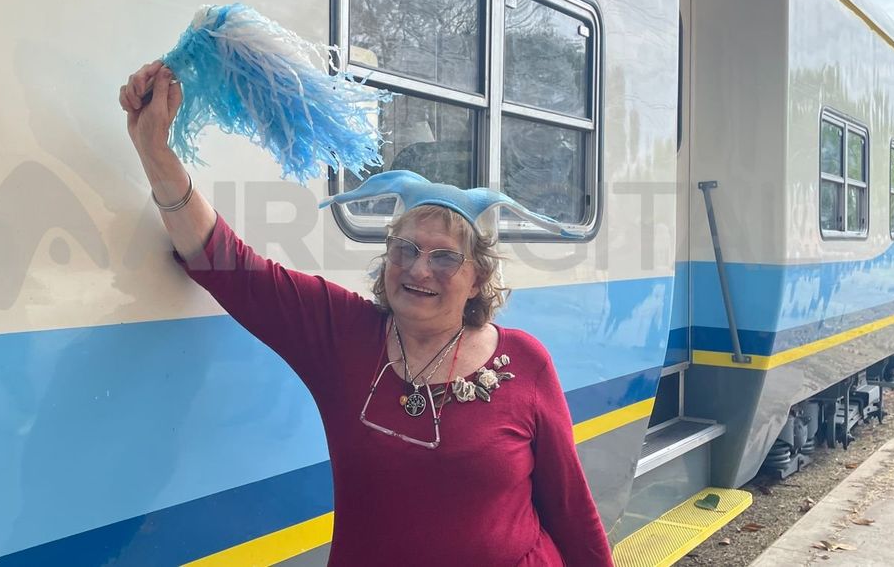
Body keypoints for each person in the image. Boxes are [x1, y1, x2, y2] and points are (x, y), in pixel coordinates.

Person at [119, 60, 614, 565]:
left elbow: (572, 509)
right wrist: (154, 150)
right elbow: (226, 263)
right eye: (404, 249)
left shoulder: (526, 362)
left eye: (444, 257)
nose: (419, 271)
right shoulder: (343, 334)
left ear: (478, 280)